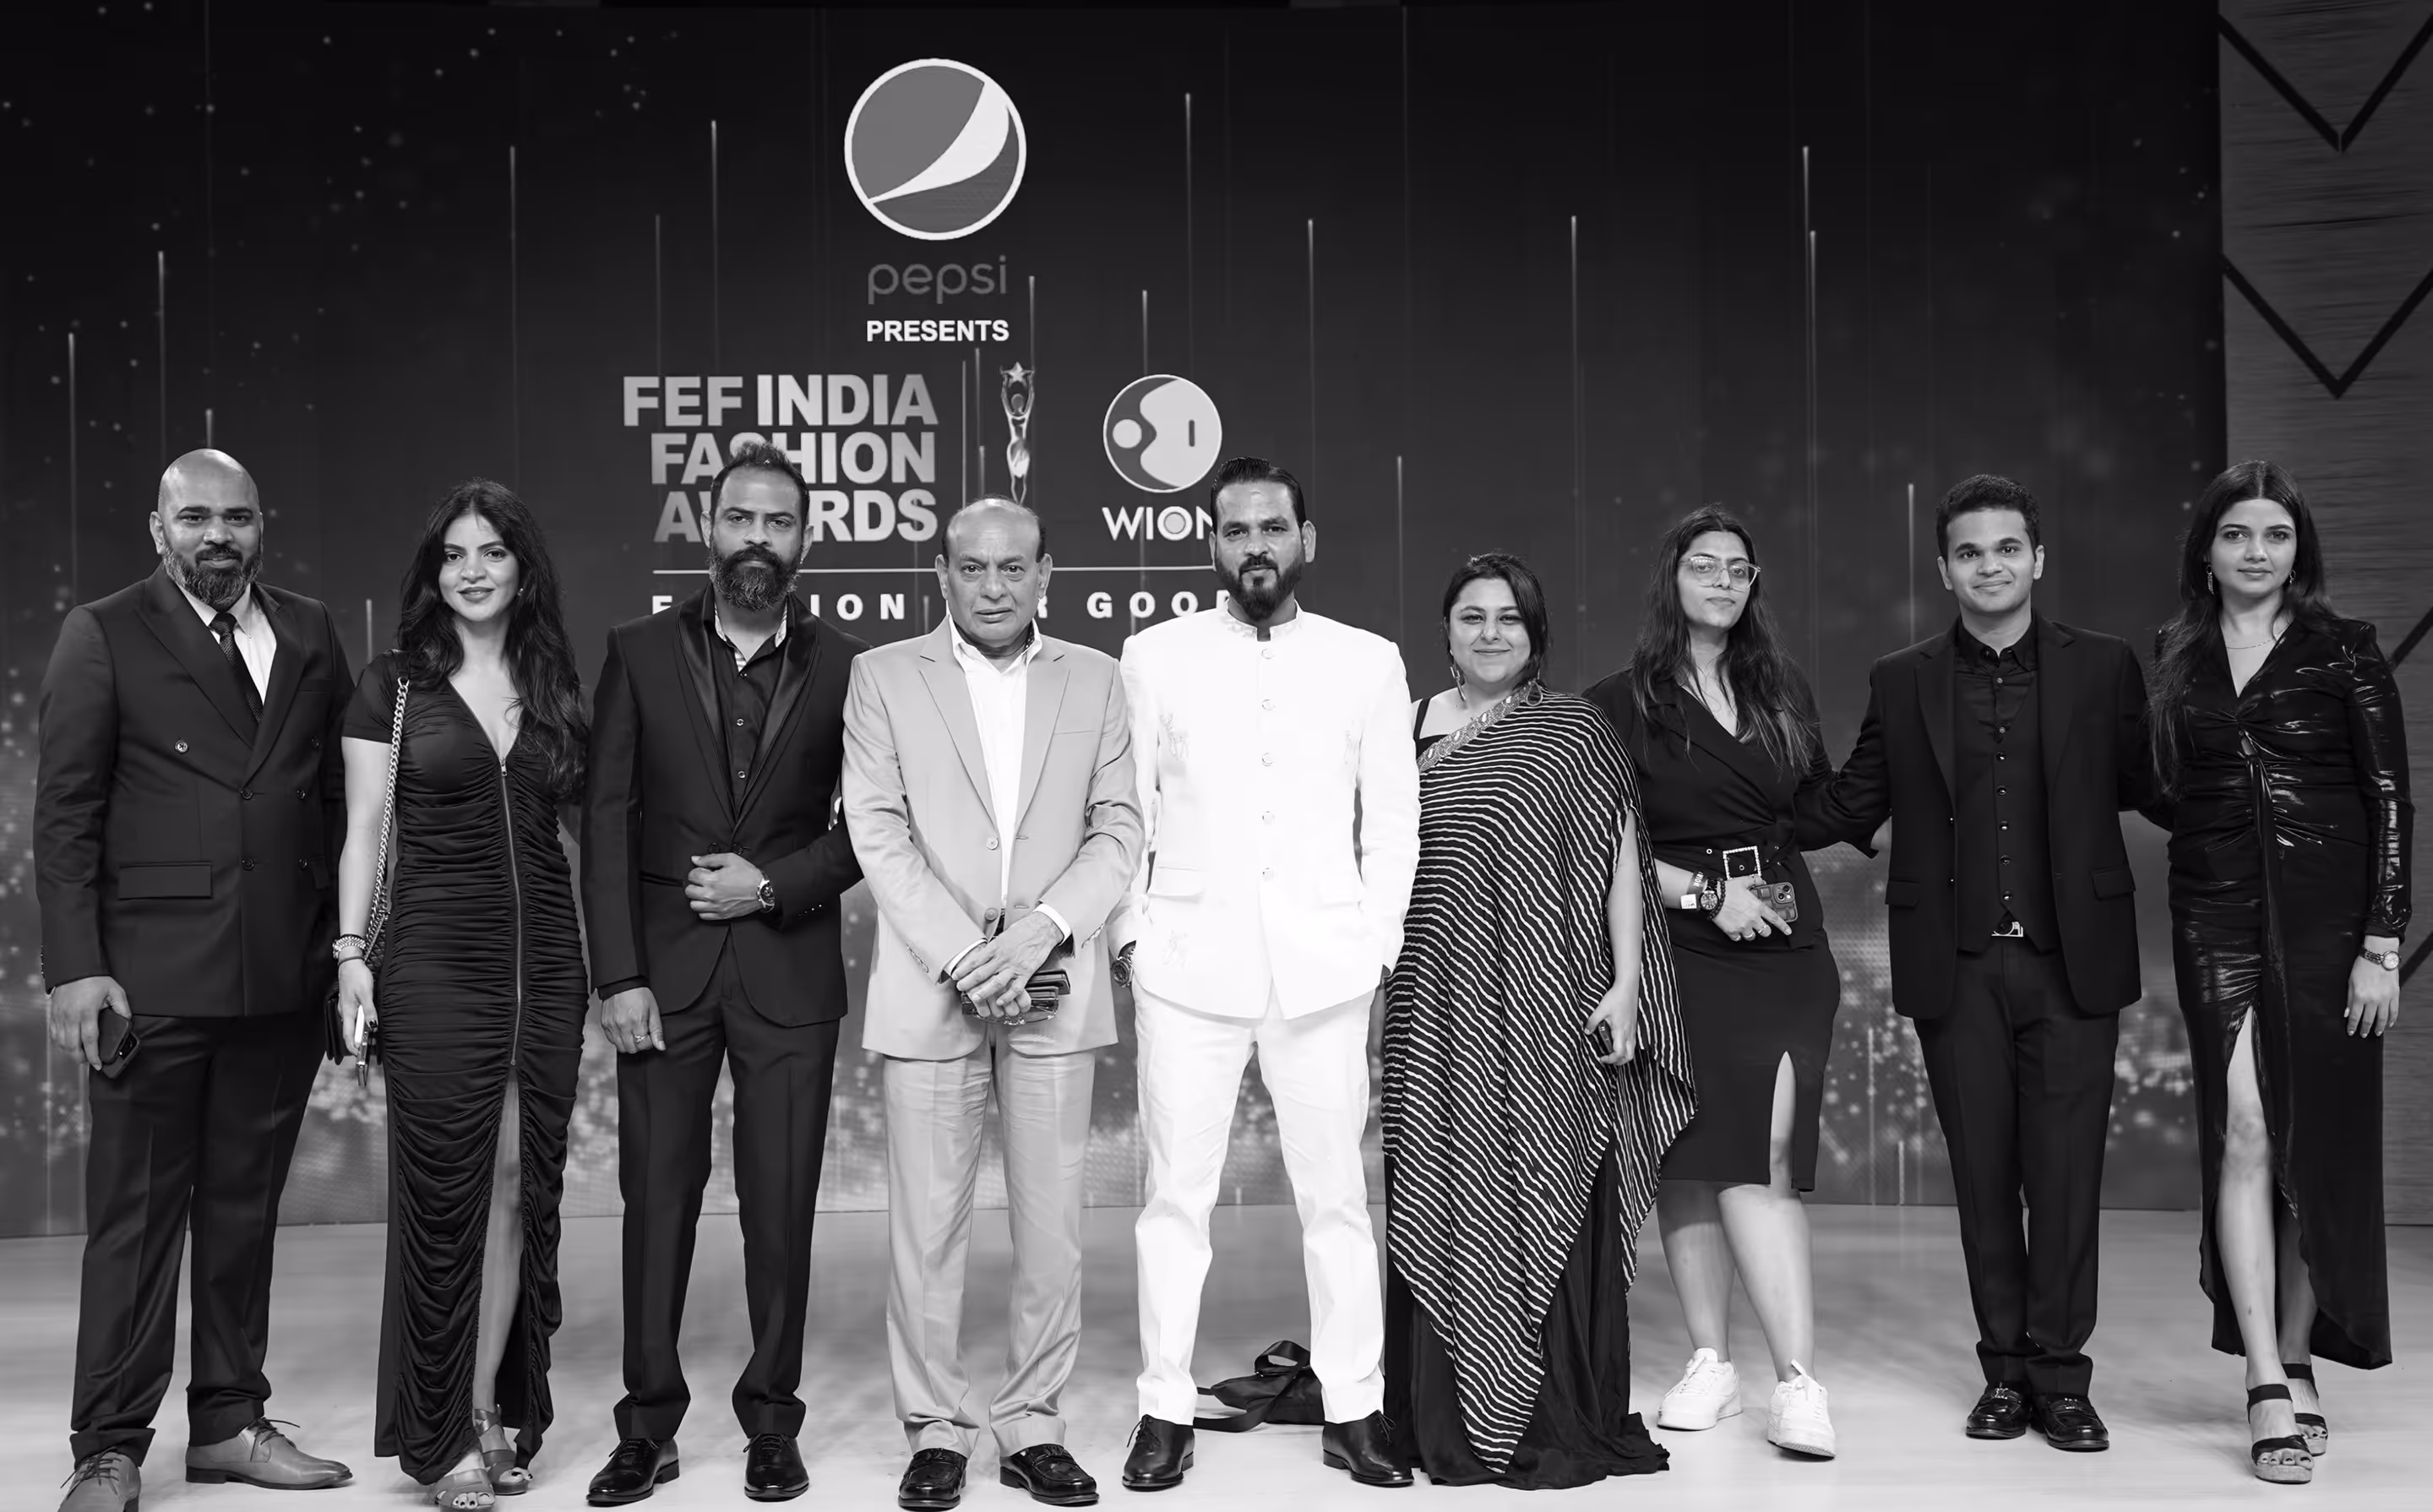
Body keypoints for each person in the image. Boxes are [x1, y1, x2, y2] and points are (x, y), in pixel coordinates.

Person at [1800, 474, 2153, 1452]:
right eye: (1969, 551)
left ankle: (2062, 1377)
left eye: (2006, 548)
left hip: (2073, 960)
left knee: (2066, 1176)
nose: (1989, 565)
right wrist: (1726, 802)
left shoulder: (2105, 666)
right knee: (1984, 1176)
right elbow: (1850, 800)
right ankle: (2004, 1371)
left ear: (2037, 558)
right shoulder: (1901, 678)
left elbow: (2152, 782)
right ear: (1944, 568)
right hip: (1953, 966)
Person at [38, 450, 356, 1512]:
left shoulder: (309, 629)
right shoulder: (103, 631)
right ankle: (108, 1446)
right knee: (135, 1221)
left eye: (237, 517)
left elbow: (333, 799)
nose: (218, 535)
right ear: (158, 528)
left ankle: (228, 1422)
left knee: (243, 1212)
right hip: (149, 980)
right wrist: (77, 966)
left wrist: (343, 950)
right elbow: (66, 811)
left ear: (262, 526)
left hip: (282, 974)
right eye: (195, 518)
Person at [1110, 456, 1419, 1492]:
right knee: (1174, 1201)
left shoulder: (1367, 660)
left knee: (1338, 1201)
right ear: (1213, 543)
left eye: (1273, 527)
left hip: (1326, 972)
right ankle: (1163, 1408)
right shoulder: (1153, 655)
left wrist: (1375, 944)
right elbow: (1128, 811)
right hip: (1186, 967)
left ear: (1305, 540)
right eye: (1236, 529)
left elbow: (1395, 819)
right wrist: (1131, 938)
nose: (1256, 546)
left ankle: (1355, 1406)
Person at [841, 496, 1145, 1511]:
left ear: (1046, 574)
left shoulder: (1096, 677)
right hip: (935, 983)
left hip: (1052, 979)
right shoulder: (883, 675)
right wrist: (974, 953)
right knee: (925, 1229)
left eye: (1014, 566)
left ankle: (1032, 1423)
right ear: (942, 575)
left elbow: (1119, 828)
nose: (993, 585)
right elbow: (877, 828)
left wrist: (1042, 929)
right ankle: (934, 1428)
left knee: (1052, 1226)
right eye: (971, 567)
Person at [579, 442, 868, 1505]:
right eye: (740, 517)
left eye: (778, 521)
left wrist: (772, 884)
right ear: (707, 527)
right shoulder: (637, 649)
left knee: (780, 1208)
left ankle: (772, 1420)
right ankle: (647, 1425)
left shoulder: (852, 667)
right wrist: (618, 975)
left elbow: (873, 828)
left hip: (791, 972)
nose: (758, 537)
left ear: (806, 539)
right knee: (655, 1201)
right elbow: (606, 820)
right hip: (662, 978)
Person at [1385, 552, 1692, 1488]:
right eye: (1472, 616)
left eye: (1509, 618)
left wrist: (1628, 982)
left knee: (1544, 1179)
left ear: (1536, 633)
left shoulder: (1574, 731)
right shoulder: (1401, 728)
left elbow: (1623, 858)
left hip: (1552, 1000)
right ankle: (1440, 1412)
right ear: (1445, 632)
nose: (1491, 633)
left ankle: (1551, 1404)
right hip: (1434, 1006)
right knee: (1441, 1191)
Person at [2145, 460, 2409, 1486]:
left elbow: (2391, 798)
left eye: (2276, 534)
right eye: (2237, 533)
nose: (2257, 551)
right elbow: (2168, 786)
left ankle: (2298, 1354)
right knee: (2246, 1125)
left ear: (2299, 550)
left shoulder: (2346, 648)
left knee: (2311, 1139)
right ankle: (2262, 1374)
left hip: (2329, 921)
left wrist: (2382, 939)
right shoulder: (2174, 652)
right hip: (2214, 914)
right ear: (2206, 550)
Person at [335, 481, 592, 1509]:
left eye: (492, 551)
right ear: (432, 571)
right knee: (447, 1193)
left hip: (548, 966)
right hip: (435, 960)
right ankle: (439, 1437)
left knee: (522, 1184)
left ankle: (488, 1409)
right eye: (454, 554)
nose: (472, 570)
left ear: (524, 569)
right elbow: (363, 827)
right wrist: (351, 953)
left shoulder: (554, 680)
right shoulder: (394, 682)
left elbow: (584, 830)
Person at [1582, 509, 1844, 1459]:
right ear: (1673, 578)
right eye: (1705, 566)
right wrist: (1703, 893)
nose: (1724, 581)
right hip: (1683, 944)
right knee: (1690, 1155)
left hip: (1784, 941)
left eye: (1739, 568)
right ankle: (1711, 1362)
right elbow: (1599, 843)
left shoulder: (1781, 686)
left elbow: (1812, 807)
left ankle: (1798, 1381)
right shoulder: (1619, 701)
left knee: (1766, 1156)